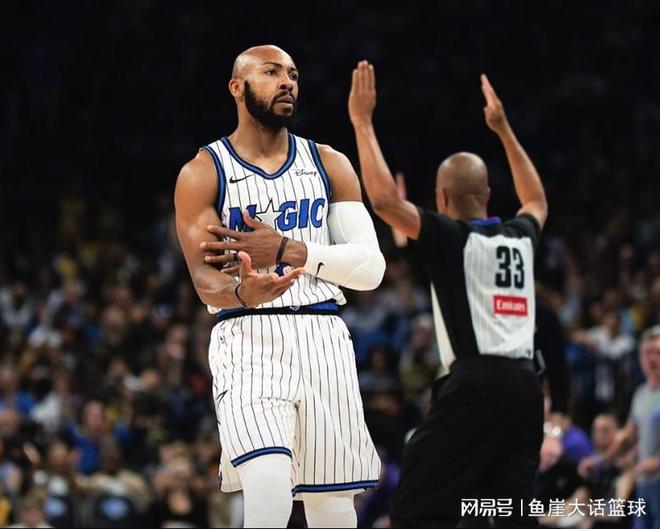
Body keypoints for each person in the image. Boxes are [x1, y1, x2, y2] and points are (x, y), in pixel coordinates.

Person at [174, 45, 386, 528]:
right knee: (268, 487)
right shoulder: (203, 172)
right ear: (237, 87)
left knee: (332, 507)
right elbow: (204, 279)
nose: (287, 82)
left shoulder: (329, 163)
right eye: (271, 73)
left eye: (292, 74)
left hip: (322, 337)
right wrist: (241, 294)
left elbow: (371, 269)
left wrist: (289, 249)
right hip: (247, 338)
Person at [348, 61, 548, 527]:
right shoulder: (520, 236)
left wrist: (362, 122)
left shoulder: (452, 237)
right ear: (488, 193)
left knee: (414, 508)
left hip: (476, 385)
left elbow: (384, 202)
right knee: (503, 512)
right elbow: (536, 200)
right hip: (526, 387)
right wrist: (503, 129)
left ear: (441, 198)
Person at [579, 325, 660, 529]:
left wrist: (657, 463)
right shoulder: (641, 394)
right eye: (647, 353)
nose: (652, 359)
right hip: (644, 483)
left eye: (658, 353)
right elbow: (627, 438)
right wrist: (599, 460)